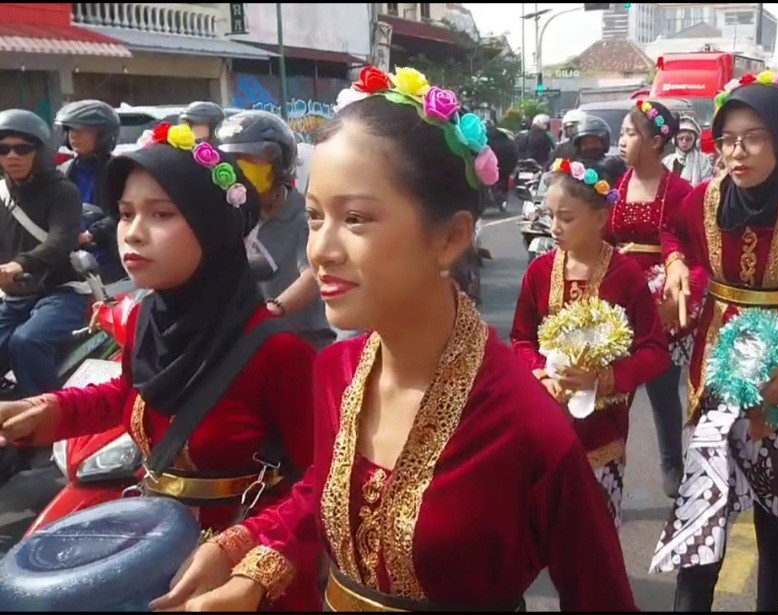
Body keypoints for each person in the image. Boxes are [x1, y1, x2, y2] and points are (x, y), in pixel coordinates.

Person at [149, 66, 637, 612]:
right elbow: (326, 491)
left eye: (355, 218)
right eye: (314, 218)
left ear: (451, 237)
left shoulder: (527, 424)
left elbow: (602, 596)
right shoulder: (336, 369)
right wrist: (247, 564)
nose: (321, 251)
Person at [0, 120, 319, 607]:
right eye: (126, 214)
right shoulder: (146, 317)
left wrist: (243, 553)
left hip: (241, 584)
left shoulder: (278, 353)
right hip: (152, 554)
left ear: (213, 227)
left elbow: (320, 487)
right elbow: (132, 393)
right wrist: (52, 411)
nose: (134, 234)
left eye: (162, 214)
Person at [653, 73, 778, 612]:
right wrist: (675, 264)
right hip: (712, 378)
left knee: (775, 521)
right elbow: (674, 230)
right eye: (730, 138)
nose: (738, 152)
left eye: (754, 137)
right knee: (703, 518)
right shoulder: (701, 200)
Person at [511, 154, 670, 525]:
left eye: (565, 218)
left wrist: (601, 380)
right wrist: (542, 376)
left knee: (596, 535)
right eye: (548, 215)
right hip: (545, 422)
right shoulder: (539, 272)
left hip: (603, 433)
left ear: (600, 219)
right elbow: (520, 339)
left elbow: (654, 352)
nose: (554, 227)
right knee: (544, 534)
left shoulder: (625, 276)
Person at [610, 99, 698, 498]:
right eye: (624, 133)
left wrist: (674, 295)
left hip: (663, 300)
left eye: (630, 133)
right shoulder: (616, 187)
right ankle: (606, 462)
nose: (622, 141)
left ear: (655, 142)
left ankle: (671, 463)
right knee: (613, 391)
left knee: (663, 390)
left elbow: (695, 255)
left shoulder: (679, 191)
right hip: (620, 299)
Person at [216, 110, 334, 351]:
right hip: (253, 338)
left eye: (250, 161)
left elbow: (313, 275)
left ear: (280, 164)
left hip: (304, 339)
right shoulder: (234, 215)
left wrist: (275, 308)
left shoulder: (304, 216)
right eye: (233, 162)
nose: (241, 171)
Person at [0, 109, 88, 399]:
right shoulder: (1, 193)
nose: (12, 156)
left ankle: (46, 423)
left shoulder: (63, 192)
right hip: (14, 295)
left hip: (61, 291)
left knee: (26, 341)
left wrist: (19, 264)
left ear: (39, 151)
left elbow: (60, 241)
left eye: (22, 148)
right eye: (3, 149)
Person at [55, 99, 124, 282]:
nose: (74, 135)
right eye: (71, 129)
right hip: (69, 258)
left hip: (110, 258)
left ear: (103, 135)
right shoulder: (63, 170)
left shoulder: (119, 169)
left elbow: (125, 213)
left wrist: (92, 234)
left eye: (82, 130)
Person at [662, 115, 714, 187]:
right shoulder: (667, 160)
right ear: (675, 140)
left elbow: (706, 184)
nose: (684, 142)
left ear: (694, 140)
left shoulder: (702, 160)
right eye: (681, 138)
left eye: (688, 139)